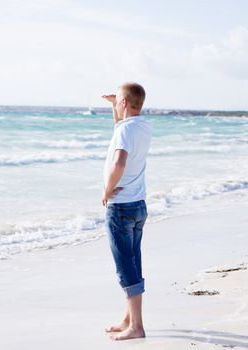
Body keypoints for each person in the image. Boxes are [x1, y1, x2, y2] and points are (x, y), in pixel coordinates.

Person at [101, 82, 152, 341]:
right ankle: (129, 319)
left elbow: (119, 162)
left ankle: (137, 326)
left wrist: (107, 191)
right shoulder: (142, 127)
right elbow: (119, 131)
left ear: (124, 103)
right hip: (139, 206)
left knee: (125, 267)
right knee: (133, 261)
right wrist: (114, 107)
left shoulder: (125, 131)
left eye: (118, 101)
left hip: (120, 208)